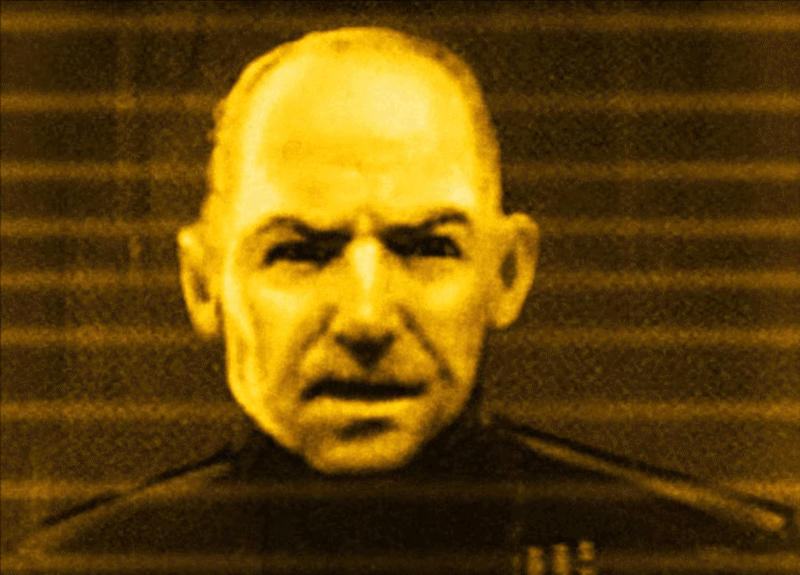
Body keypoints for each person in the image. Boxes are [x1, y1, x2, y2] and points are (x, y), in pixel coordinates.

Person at [17, 27, 797, 573]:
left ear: (507, 273)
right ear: (203, 283)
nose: (367, 318)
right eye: (300, 252)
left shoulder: (710, 558)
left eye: (427, 247)